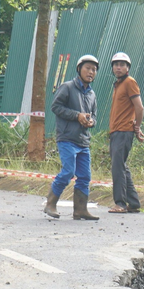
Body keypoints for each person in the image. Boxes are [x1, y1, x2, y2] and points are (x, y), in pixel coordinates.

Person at [44, 54, 99, 221]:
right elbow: (56, 107)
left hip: (83, 141)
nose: (91, 72)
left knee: (85, 176)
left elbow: (94, 116)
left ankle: (80, 210)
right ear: (79, 69)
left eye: (94, 70)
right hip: (67, 138)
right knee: (68, 171)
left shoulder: (92, 94)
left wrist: (90, 122)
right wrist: (77, 116)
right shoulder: (67, 87)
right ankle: (50, 204)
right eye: (88, 68)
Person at [107, 52, 144, 214]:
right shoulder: (118, 84)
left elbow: (139, 107)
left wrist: (137, 126)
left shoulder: (130, 82)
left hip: (123, 131)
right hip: (116, 130)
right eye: (116, 64)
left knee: (117, 167)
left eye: (122, 65)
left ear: (128, 68)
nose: (118, 67)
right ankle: (134, 202)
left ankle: (120, 203)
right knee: (121, 166)